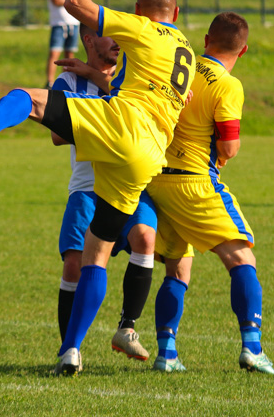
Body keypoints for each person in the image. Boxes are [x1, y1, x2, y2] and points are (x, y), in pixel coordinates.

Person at [0, 0, 196, 376]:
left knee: (30, 96)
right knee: (97, 251)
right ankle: (71, 351)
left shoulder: (143, 28)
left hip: (124, 127)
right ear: (175, 14)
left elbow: (78, 4)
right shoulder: (186, 53)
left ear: (140, 14)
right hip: (148, 154)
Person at [146, 12, 274, 376]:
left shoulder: (182, 68)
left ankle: (167, 353)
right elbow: (230, 146)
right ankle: (253, 348)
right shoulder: (228, 84)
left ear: (206, 40)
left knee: (178, 267)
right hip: (194, 181)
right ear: (245, 49)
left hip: (156, 179)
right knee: (241, 259)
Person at [52, 25, 156, 362]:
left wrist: (97, 85)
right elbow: (57, 134)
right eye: (110, 36)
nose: (118, 43)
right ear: (88, 40)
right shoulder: (68, 82)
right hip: (87, 188)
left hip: (130, 185)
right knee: (73, 265)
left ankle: (127, 328)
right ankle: (70, 348)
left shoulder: (133, 77)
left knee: (144, 238)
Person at [45, 0, 81, 89]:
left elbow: (82, 1)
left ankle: (65, 83)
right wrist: (72, 1)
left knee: (69, 57)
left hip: (73, 24)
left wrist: (68, 0)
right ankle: (49, 82)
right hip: (58, 24)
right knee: (54, 54)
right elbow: (56, 0)